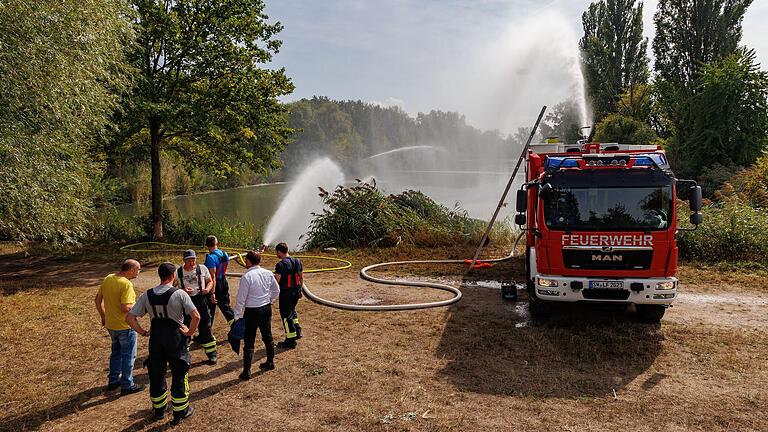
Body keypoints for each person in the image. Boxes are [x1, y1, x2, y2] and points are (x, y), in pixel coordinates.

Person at [126, 262, 199, 424]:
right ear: (173, 276)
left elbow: (130, 318)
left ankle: (159, 410)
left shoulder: (147, 295)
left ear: (160, 276)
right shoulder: (180, 294)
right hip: (175, 339)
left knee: (156, 374)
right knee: (179, 373)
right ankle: (180, 412)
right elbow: (196, 316)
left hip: (156, 339)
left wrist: (144, 332)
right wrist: (189, 332)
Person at [94, 259, 145, 395]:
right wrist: (141, 308)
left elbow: (98, 300)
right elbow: (125, 307)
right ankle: (127, 385)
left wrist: (103, 316)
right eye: (138, 269)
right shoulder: (126, 284)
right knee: (128, 356)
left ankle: (113, 381)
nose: (139, 272)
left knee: (116, 354)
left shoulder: (108, 278)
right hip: (125, 326)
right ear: (132, 270)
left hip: (111, 325)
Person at [234, 250, 280, 379]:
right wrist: (270, 300)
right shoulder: (268, 273)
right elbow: (276, 290)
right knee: (267, 335)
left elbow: (241, 299)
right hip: (265, 309)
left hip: (252, 311)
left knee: (249, 340)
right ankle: (270, 362)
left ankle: (247, 371)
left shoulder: (247, 277)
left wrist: (237, 315)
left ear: (248, 261)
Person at [175, 250, 217, 364]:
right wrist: (182, 291)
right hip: (185, 302)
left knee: (205, 328)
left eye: (193, 260)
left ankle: (212, 354)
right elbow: (171, 288)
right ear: (184, 260)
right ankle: (183, 356)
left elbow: (210, 281)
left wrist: (208, 290)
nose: (192, 262)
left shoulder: (202, 268)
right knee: (185, 328)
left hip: (201, 300)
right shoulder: (178, 272)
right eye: (189, 260)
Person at [274, 242, 304, 349]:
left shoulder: (280, 265)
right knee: (292, 310)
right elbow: (301, 277)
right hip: (296, 291)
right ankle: (297, 331)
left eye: (276, 252)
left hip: (286, 293)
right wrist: (300, 290)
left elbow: (277, 280)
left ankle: (290, 340)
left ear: (279, 252)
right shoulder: (297, 261)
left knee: (286, 316)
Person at [203, 235, 235, 327]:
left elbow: (212, 276)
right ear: (217, 243)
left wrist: (212, 293)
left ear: (207, 245)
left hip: (215, 284)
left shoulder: (210, 257)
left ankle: (207, 334)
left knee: (209, 309)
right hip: (223, 281)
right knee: (225, 306)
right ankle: (236, 327)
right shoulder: (224, 254)